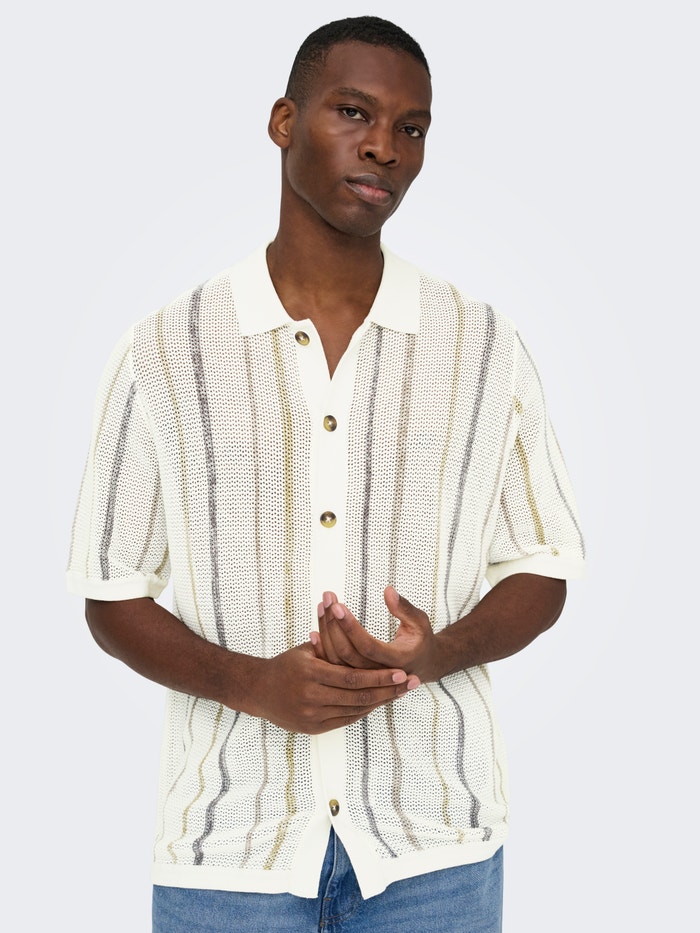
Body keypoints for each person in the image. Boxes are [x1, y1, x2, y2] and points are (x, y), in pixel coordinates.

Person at [67, 15, 585, 933]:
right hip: (231, 848)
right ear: (283, 121)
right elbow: (110, 595)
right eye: (354, 112)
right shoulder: (167, 352)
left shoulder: (483, 347)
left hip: (435, 845)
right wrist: (251, 684)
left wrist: (439, 652)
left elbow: (545, 565)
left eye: (411, 127)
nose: (384, 146)